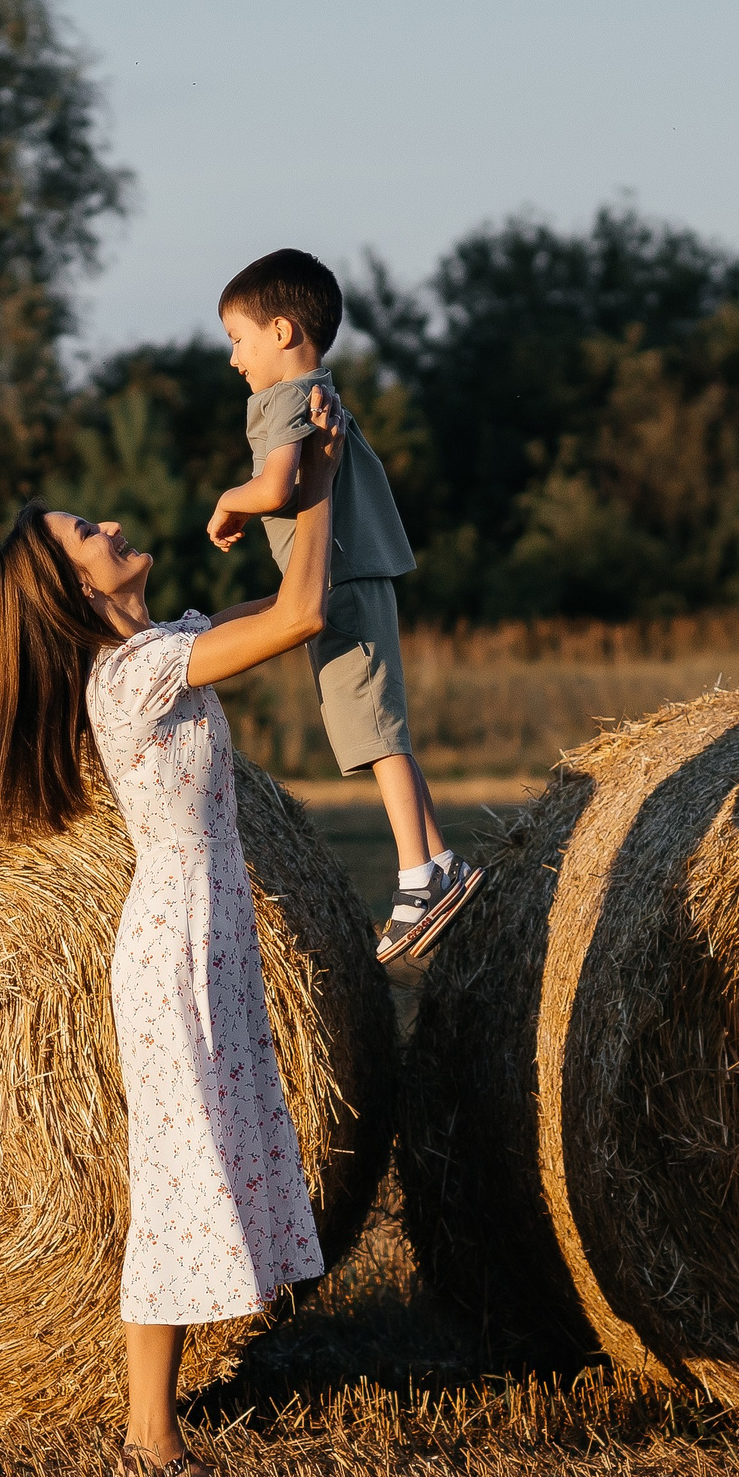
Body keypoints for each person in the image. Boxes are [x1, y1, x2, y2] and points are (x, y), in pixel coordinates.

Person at [0, 386, 352, 1477]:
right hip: (176, 943)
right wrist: (309, 480)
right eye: (87, 534)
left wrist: (304, 480)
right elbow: (298, 617)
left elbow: (285, 596)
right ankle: (148, 1437)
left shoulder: (167, 644)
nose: (111, 527)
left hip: (207, 934)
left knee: (198, 1164)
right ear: (71, 589)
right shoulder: (132, 677)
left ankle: (155, 1427)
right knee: (176, 1174)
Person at [203, 248, 481, 964]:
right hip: (364, 575)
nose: (235, 359)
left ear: (283, 331)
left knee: (372, 736)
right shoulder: (321, 392)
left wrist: (229, 501)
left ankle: (415, 880)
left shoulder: (282, 401)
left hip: (341, 582)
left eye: (239, 339)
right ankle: (441, 860)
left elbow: (277, 486)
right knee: (386, 727)